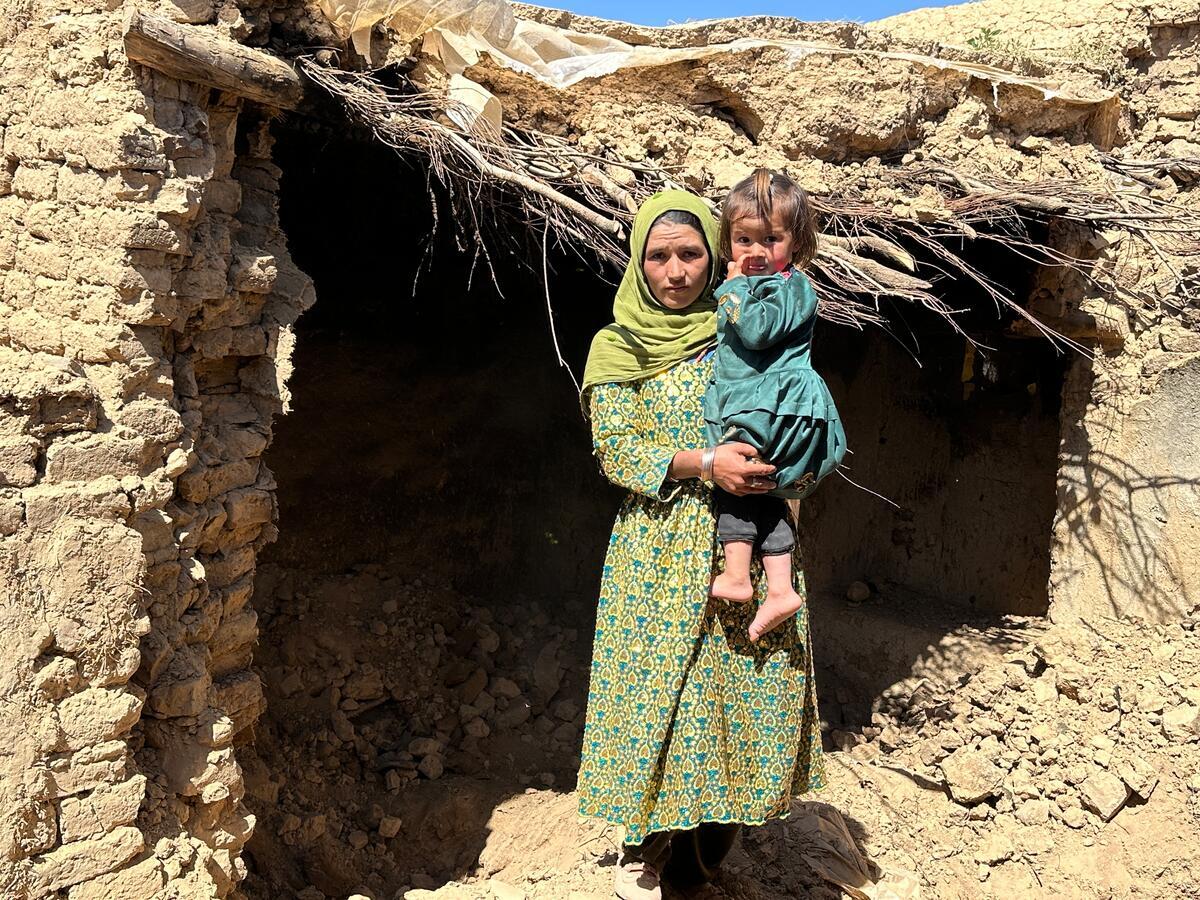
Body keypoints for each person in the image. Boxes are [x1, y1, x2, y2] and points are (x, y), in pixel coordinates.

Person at [578, 190, 825, 900]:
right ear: (638, 262)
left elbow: (793, 397)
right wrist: (704, 463)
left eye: (691, 255)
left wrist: (791, 457)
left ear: (712, 258)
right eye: (660, 256)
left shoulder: (742, 326)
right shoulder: (617, 346)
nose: (677, 271)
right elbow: (618, 451)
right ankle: (647, 851)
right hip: (658, 555)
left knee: (745, 698)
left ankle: (701, 866)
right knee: (667, 707)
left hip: (750, 539)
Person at [704, 169, 847, 643]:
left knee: (734, 482)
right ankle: (781, 588)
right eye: (744, 239)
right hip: (764, 405)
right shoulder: (767, 284)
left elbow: (757, 330)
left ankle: (738, 577)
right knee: (764, 494)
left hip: (770, 406)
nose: (756, 252)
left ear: (796, 243)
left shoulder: (791, 287)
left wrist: (730, 289)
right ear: (728, 240)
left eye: (772, 239)